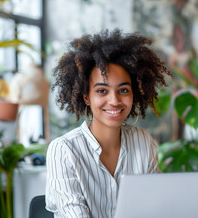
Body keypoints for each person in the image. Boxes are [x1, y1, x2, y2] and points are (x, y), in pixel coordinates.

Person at [46, 29, 172, 218]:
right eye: (102, 91)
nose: (114, 101)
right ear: (86, 97)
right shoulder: (64, 150)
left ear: (134, 94)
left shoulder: (143, 142)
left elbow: (156, 206)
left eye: (123, 90)